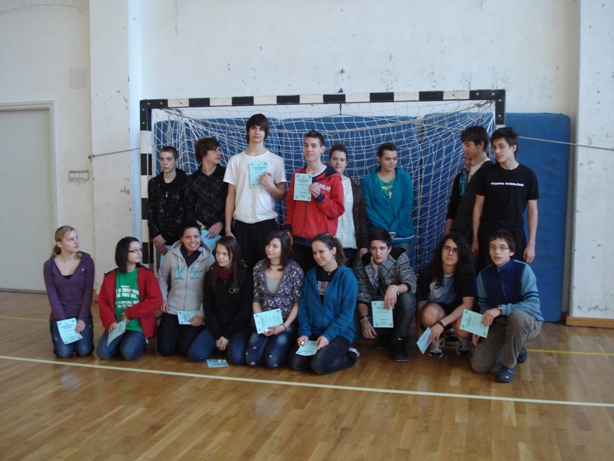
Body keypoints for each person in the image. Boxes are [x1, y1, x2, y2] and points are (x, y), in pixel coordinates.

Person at [470, 230, 543, 383]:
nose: (497, 251)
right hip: (501, 323)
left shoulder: (523, 270)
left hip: (527, 321)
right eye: (493, 247)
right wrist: (480, 327)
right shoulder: (484, 275)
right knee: (479, 365)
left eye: (502, 247)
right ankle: (517, 347)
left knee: (518, 318)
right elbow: (484, 305)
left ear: (511, 251)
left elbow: (533, 304)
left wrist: (501, 309)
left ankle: (508, 366)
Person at [289, 233, 360, 375]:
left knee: (318, 365)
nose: (317, 256)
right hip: (314, 332)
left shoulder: (347, 277)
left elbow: (346, 314)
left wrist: (328, 336)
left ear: (333, 250)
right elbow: (304, 308)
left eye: (321, 252)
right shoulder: (310, 276)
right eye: (314, 253)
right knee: (296, 363)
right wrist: (304, 333)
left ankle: (351, 354)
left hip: (339, 334)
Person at [224, 113, 287, 269]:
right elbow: (230, 196)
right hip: (241, 225)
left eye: (261, 129)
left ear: (266, 132)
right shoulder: (235, 160)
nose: (257, 132)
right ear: (248, 131)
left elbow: (282, 194)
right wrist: (228, 228)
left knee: (267, 270)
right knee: (242, 271)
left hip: (266, 224)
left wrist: (270, 185)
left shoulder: (276, 161)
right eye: (253, 128)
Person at [472, 127, 539, 271]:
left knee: (514, 277)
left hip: (514, 233)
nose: (497, 151)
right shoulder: (487, 174)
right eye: (494, 147)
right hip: (488, 232)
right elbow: (478, 206)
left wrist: (531, 244)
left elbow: (532, 211)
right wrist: (475, 239)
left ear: (513, 147)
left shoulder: (528, 175)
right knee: (487, 277)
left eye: (501, 146)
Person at [284, 130, 344, 271]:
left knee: (319, 282)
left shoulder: (332, 178)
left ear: (322, 149)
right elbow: (291, 206)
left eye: (313, 146)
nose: (309, 149)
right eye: (306, 145)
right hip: (298, 241)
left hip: (321, 243)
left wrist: (321, 197)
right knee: (299, 281)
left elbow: (338, 209)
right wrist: (288, 228)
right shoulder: (298, 175)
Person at [354, 227, 417, 362]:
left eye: (382, 248)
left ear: (389, 248)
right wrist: (364, 320)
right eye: (374, 248)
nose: (378, 253)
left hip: (396, 306)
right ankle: (386, 334)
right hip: (377, 308)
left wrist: (394, 288)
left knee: (408, 299)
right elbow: (362, 296)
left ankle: (400, 341)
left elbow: (411, 282)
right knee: (353, 328)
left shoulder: (399, 256)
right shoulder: (362, 264)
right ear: (369, 249)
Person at [187, 236, 253, 364]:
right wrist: (217, 334)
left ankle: (225, 345)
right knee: (194, 354)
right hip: (216, 326)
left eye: (225, 254)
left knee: (236, 358)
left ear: (234, 254)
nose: (220, 257)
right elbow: (208, 306)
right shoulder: (211, 274)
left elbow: (245, 310)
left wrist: (227, 335)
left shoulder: (245, 275)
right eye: (217, 253)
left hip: (238, 328)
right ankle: (220, 345)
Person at [97, 237, 163, 361]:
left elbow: (156, 300)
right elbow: (104, 303)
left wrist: (131, 313)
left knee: (128, 353)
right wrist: (110, 322)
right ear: (123, 253)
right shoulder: (110, 277)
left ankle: (139, 341)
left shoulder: (147, 275)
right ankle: (122, 342)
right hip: (118, 325)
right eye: (134, 250)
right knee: (103, 353)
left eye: (140, 249)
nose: (139, 253)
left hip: (138, 326)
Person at [246, 230, 304, 369]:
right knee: (251, 360)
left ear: (283, 249)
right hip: (265, 318)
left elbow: (298, 303)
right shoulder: (259, 267)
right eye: (268, 245)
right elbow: (256, 299)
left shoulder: (294, 269)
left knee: (272, 362)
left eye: (275, 246)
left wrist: (284, 326)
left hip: (285, 320)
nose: (269, 249)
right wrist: (261, 323)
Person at [156, 224, 215, 357]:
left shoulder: (208, 258)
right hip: (173, 309)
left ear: (200, 238)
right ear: (181, 238)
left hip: (194, 312)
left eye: (196, 237)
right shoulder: (171, 255)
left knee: (184, 349)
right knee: (165, 350)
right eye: (188, 237)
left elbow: (211, 290)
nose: (193, 241)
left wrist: (201, 313)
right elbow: (162, 277)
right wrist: (163, 298)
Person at [416, 233, 477, 358]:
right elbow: (420, 305)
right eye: (447, 248)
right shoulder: (428, 271)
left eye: (455, 250)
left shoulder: (467, 270)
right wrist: (419, 331)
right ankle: (437, 338)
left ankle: (461, 338)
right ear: (441, 250)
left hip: (458, 311)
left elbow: (468, 304)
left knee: (463, 328)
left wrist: (442, 324)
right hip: (438, 310)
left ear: (461, 254)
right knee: (429, 315)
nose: (450, 253)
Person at [43, 226, 95, 358]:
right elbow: (52, 295)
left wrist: (82, 318)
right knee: (64, 353)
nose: (76, 242)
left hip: (81, 315)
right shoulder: (49, 265)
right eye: (71, 239)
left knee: (84, 350)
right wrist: (63, 322)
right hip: (61, 317)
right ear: (59, 244)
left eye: (76, 238)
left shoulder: (87, 261)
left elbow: (88, 292)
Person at [362, 142, 415, 257]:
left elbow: (407, 205)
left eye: (394, 159)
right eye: (387, 159)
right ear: (379, 158)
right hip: (378, 238)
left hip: (402, 235)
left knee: (402, 268)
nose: (392, 162)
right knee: (379, 268)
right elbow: (368, 209)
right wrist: (385, 231)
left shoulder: (404, 178)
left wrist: (393, 229)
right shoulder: (368, 181)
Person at [183, 137, 228, 251]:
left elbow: (234, 203)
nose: (219, 153)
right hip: (201, 234)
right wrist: (196, 224)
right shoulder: (193, 179)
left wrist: (222, 223)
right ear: (203, 153)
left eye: (219, 149)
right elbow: (188, 207)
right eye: (214, 150)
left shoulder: (226, 176)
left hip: (225, 231)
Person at [328, 143, 369, 264]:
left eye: (342, 160)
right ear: (329, 161)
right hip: (328, 242)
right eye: (335, 159)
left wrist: (364, 244)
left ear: (346, 163)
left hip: (350, 242)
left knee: (347, 274)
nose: (338, 163)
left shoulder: (355, 187)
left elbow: (362, 217)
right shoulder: (322, 184)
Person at [450, 125, 492, 245]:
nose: (464, 149)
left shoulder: (488, 172)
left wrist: (476, 239)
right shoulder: (472, 171)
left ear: (481, 144)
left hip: (478, 238)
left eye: (468, 145)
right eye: (464, 145)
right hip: (464, 234)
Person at [148, 146, 188, 260]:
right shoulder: (154, 183)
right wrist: (156, 236)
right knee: (163, 269)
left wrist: (165, 236)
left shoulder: (185, 183)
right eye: (162, 159)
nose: (165, 163)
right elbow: (150, 210)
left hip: (180, 239)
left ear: (176, 161)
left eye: (169, 159)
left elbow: (183, 212)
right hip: (159, 242)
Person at [444, 152, 473, 235]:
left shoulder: (485, 177)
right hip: (461, 226)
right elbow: (453, 205)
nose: (466, 162)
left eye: (470, 159)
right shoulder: (460, 178)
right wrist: (447, 231)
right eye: (465, 158)